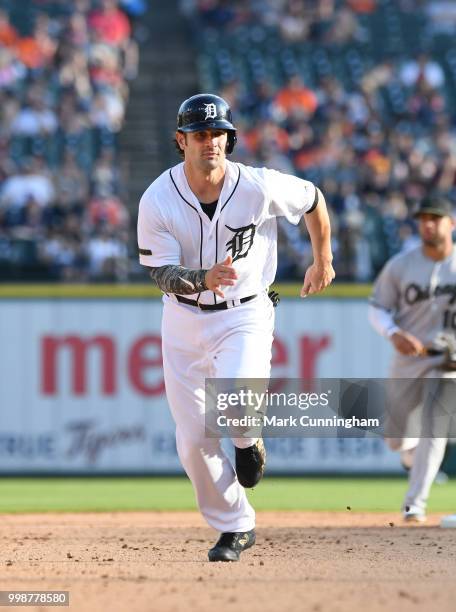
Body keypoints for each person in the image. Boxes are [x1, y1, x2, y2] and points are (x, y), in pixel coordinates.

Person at [137, 93, 335, 561]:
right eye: (200, 134)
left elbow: (313, 199)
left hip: (245, 310)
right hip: (182, 319)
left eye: (219, 134)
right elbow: (159, 272)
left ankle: (248, 441)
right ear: (181, 141)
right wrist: (200, 280)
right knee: (192, 441)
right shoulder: (158, 198)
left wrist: (322, 257)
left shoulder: (258, 186)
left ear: (230, 139)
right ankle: (235, 526)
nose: (211, 142)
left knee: (239, 403)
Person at [368, 196, 456, 522]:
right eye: (423, 219)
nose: (428, 224)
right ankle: (409, 454)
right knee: (397, 438)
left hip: (447, 364)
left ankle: (414, 504)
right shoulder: (402, 264)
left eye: (435, 218)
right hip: (408, 360)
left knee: (435, 428)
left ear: (451, 224)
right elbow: (377, 308)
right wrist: (393, 333)